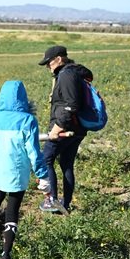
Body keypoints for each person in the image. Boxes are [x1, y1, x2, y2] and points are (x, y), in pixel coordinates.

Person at [0, 81, 51, 259]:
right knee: (13, 208)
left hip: (0, 167)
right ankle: (6, 255)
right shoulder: (29, 121)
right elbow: (34, 152)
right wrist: (43, 176)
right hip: (17, 170)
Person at [38, 45, 89, 212]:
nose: (48, 66)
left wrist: (56, 128)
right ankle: (64, 204)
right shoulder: (73, 73)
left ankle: (52, 201)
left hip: (65, 129)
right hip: (77, 128)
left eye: (49, 63)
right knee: (66, 164)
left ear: (59, 59)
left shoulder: (67, 75)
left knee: (46, 160)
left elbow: (70, 106)